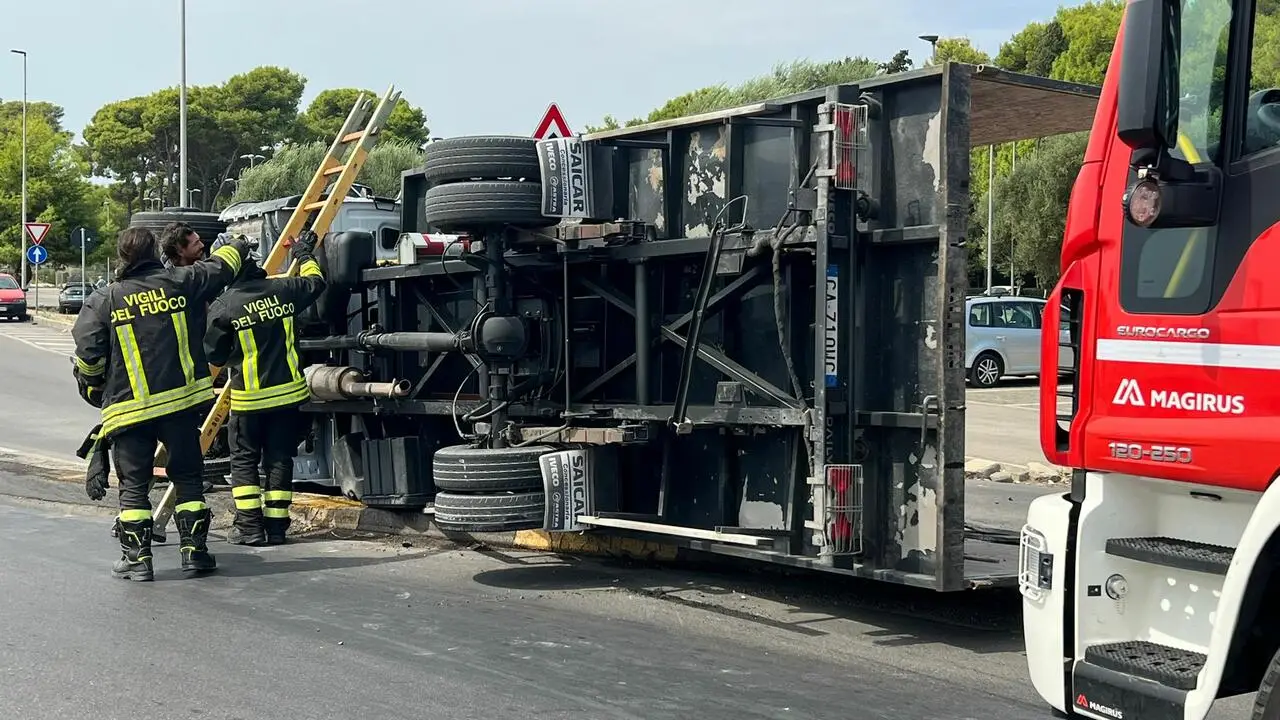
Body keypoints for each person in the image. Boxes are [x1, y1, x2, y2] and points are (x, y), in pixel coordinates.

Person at [72, 226, 252, 581]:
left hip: (130, 410)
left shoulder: (104, 300)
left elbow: (88, 355)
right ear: (154, 252)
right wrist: (238, 244)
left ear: (123, 257)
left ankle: (137, 560)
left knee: (133, 485)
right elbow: (221, 267)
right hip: (180, 406)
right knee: (188, 478)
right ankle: (194, 553)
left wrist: (94, 386)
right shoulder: (181, 282)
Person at [204, 230, 326, 546]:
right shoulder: (284, 289)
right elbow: (316, 282)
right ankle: (276, 527)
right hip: (288, 397)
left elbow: (214, 356)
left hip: (250, 401)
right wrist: (303, 253)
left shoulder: (224, 306)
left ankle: (249, 528)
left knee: (244, 461)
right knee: (279, 459)